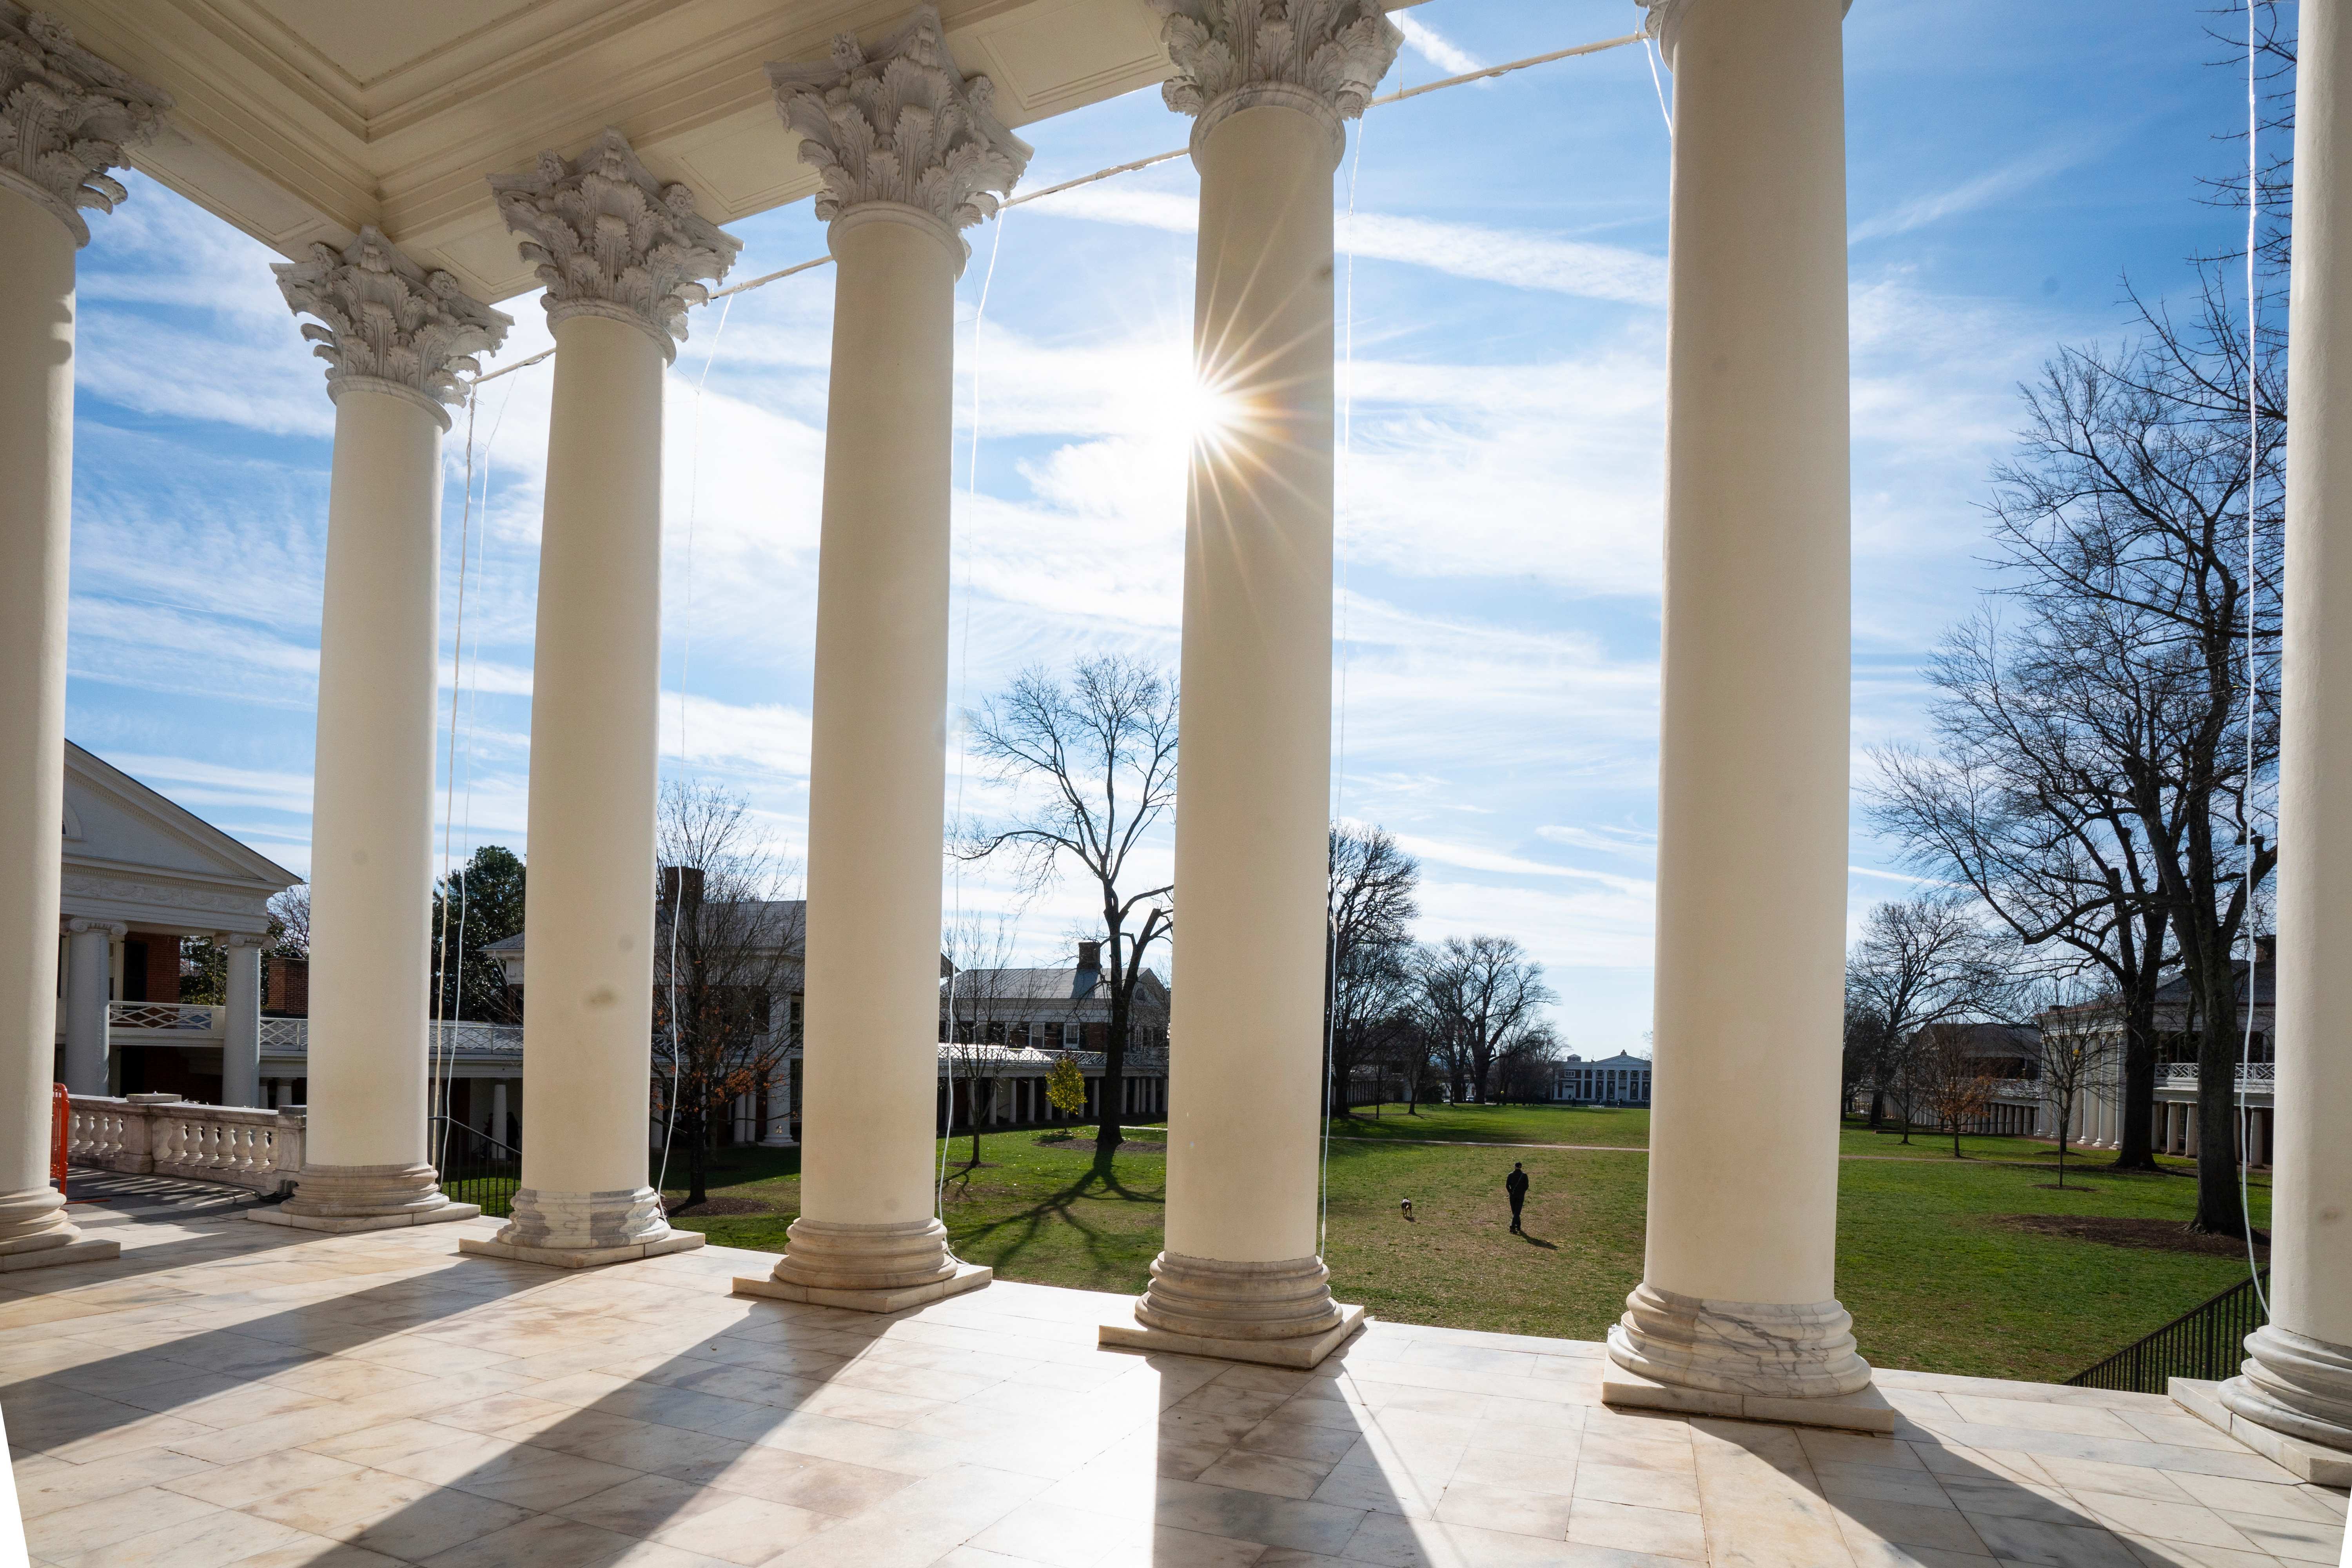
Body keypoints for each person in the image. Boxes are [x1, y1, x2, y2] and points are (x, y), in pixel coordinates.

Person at [1505, 1162, 1529, 1234]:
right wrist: (1522, 1192)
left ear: (1515, 1167)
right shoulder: (1524, 1175)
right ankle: (1516, 1226)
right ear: (1521, 1167)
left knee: (1514, 1211)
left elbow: (1507, 1186)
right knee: (1517, 1212)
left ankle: (1515, 1226)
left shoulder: (1511, 1175)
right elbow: (1527, 1186)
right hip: (1520, 1196)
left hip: (1513, 1195)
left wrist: (1511, 1192)